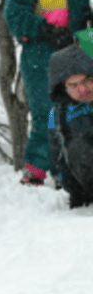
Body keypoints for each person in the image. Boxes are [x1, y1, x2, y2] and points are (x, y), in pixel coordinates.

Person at [4, 0, 92, 186]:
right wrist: (46, 30)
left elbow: (85, 17)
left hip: (72, 56)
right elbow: (14, 13)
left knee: (76, 112)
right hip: (41, 55)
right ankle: (36, 172)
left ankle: (69, 170)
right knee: (48, 113)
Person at [47, 40, 93, 207]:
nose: (83, 89)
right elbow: (59, 156)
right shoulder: (59, 115)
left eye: (87, 80)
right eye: (73, 85)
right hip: (86, 189)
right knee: (78, 148)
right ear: (63, 86)